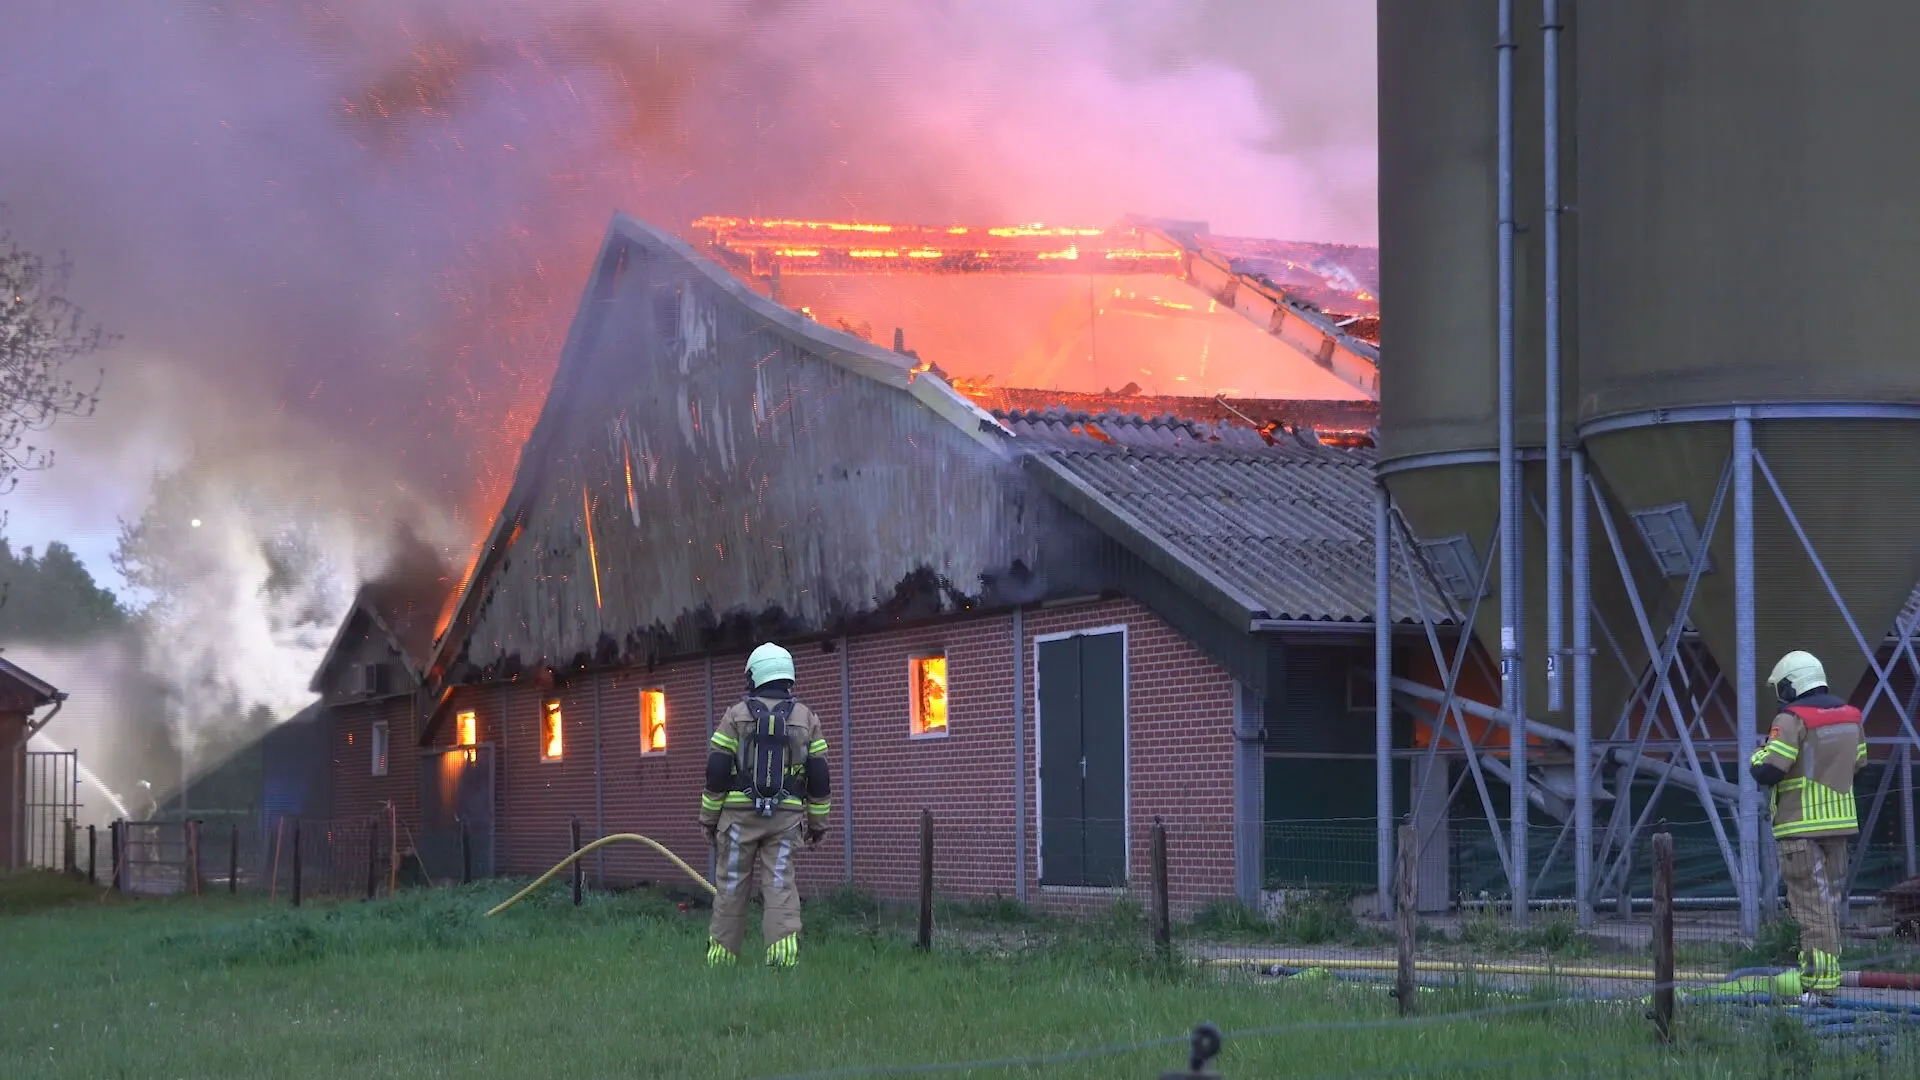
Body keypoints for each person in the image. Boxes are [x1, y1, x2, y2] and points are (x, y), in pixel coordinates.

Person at [699, 642, 832, 967]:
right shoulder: (807, 719)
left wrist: (708, 818)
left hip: (737, 820)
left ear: (755, 675)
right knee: (779, 884)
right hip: (785, 821)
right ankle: (782, 959)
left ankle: (721, 961)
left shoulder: (735, 716)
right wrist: (818, 824)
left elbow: (717, 770)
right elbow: (819, 777)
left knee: (731, 885)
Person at [1748, 650, 1866, 1001]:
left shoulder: (1790, 719)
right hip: (1840, 825)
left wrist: (1759, 754)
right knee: (1827, 904)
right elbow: (1860, 762)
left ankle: (1818, 987)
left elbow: (1770, 769)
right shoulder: (1851, 716)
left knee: (1809, 909)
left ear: (1791, 684)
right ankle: (1827, 979)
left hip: (1799, 827)